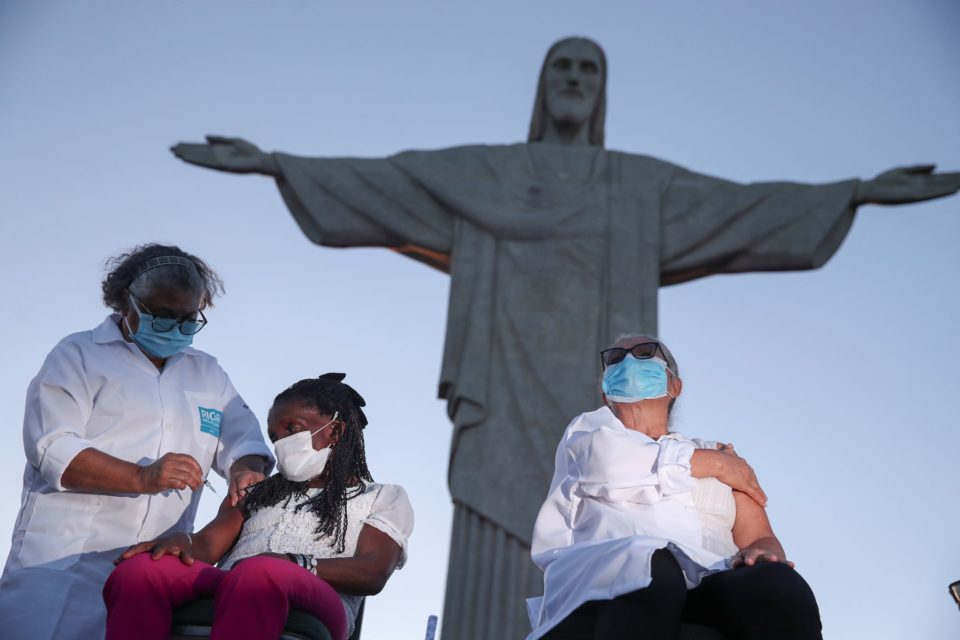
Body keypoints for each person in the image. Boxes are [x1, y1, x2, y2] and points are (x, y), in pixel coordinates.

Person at [169, 37, 959, 638]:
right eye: (563, 69)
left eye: (589, 70)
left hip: (586, 367)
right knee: (517, 533)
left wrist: (857, 193)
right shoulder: (489, 172)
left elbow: (742, 208)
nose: (575, 81)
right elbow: (392, 183)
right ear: (545, 89)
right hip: (504, 383)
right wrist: (278, 165)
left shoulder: (637, 185)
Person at [0, 244, 274, 640]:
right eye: (162, 316)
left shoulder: (207, 373)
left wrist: (247, 469)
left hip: (148, 571)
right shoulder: (79, 354)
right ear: (126, 300)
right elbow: (51, 448)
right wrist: (142, 476)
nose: (175, 328)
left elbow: (246, 441)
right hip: (62, 565)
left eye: (186, 319)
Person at [527, 334, 822, 640]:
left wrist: (764, 552)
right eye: (615, 359)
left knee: (778, 585)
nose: (628, 361)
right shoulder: (588, 432)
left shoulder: (713, 450)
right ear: (606, 394)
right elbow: (611, 465)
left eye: (645, 353)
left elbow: (760, 536)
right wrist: (718, 464)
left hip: (711, 575)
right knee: (651, 564)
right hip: (611, 580)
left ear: (675, 386)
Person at [103, 373, 414, 640]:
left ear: (334, 430)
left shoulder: (381, 497)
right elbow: (208, 544)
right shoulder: (259, 491)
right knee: (143, 570)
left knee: (261, 573)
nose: (281, 443)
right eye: (274, 436)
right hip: (234, 580)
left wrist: (292, 563)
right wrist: (180, 542)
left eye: (292, 428)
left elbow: (372, 572)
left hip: (320, 597)